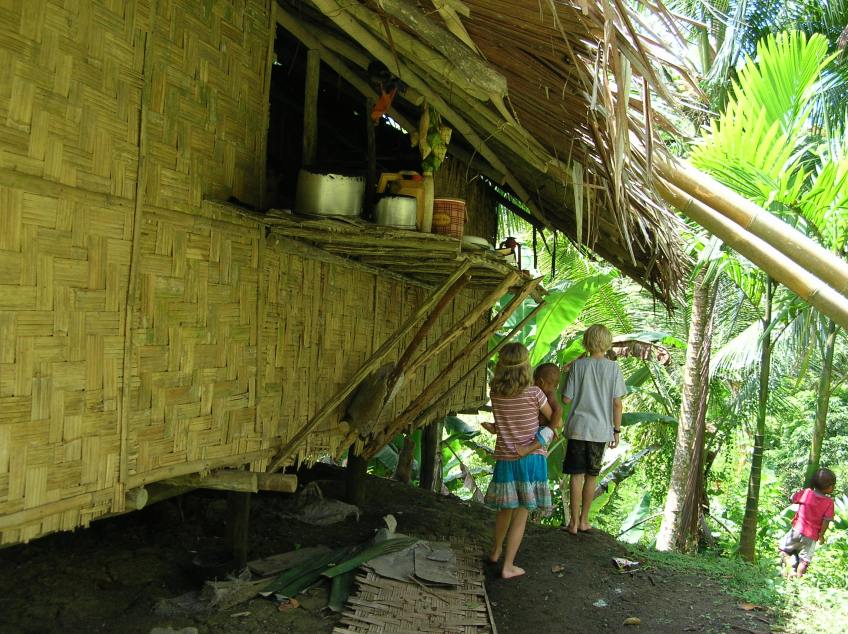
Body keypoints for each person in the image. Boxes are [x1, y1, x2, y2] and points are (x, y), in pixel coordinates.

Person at [483, 343, 562, 579]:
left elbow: (508, 422)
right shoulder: (535, 393)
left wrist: (496, 428)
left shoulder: (495, 393)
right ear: (526, 366)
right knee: (521, 513)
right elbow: (552, 421)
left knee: (504, 510)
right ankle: (508, 566)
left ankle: (496, 551)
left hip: (506, 459)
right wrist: (547, 434)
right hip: (530, 459)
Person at [561, 324, 626, 535]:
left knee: (576, 475)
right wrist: (616, 430)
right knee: (591, 475)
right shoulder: (613, 368)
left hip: (578, 428)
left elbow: (566, 399)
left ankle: (572, 523)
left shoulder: (578, 367)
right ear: (607, 344)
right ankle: (584, 521)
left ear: (586, 342)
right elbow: (617, 404)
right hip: (600, 431)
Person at [778, 468, 837, 576]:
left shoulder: (806, 493)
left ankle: (789, 567)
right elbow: (826, 521)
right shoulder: (829, 503)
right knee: (804, 561)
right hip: (811, 536)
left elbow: (792, 498)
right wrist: (821, 535)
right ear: (829, 487)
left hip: (796, 530)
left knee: (783, 549)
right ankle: (798, 580)